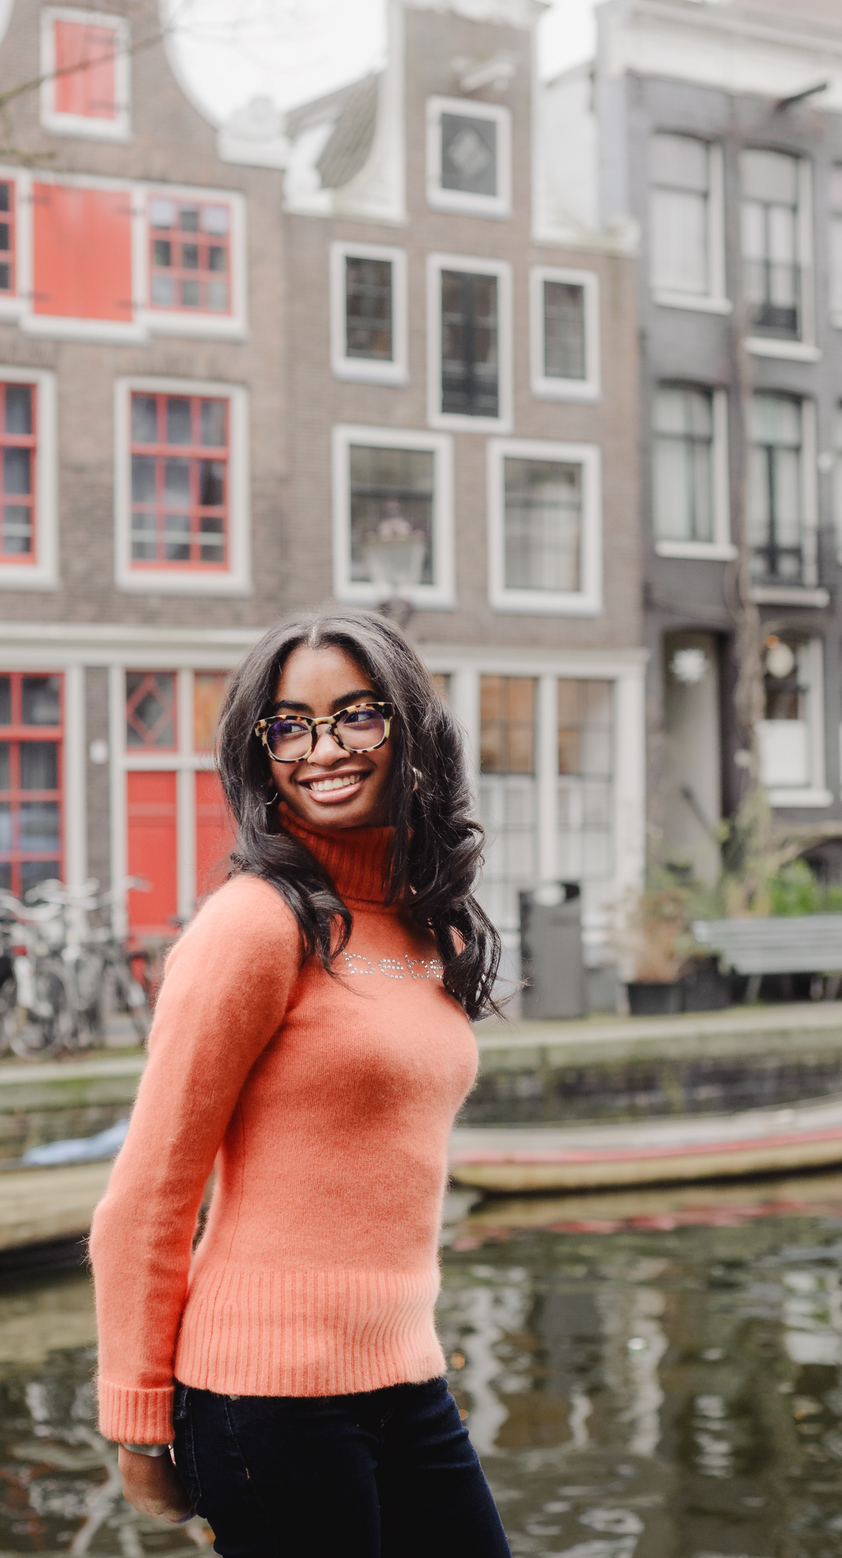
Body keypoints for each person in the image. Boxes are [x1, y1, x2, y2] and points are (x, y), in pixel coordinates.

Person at [89, 608, 512, 1557]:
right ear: (259, 749)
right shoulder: (253, 925)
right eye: (288, 725)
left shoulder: (420, 919)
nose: (322, 748)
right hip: (267, 1396)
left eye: (357, 714)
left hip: (405, 1375)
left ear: (411, 730)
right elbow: (150, 1191)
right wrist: (139, 1418)